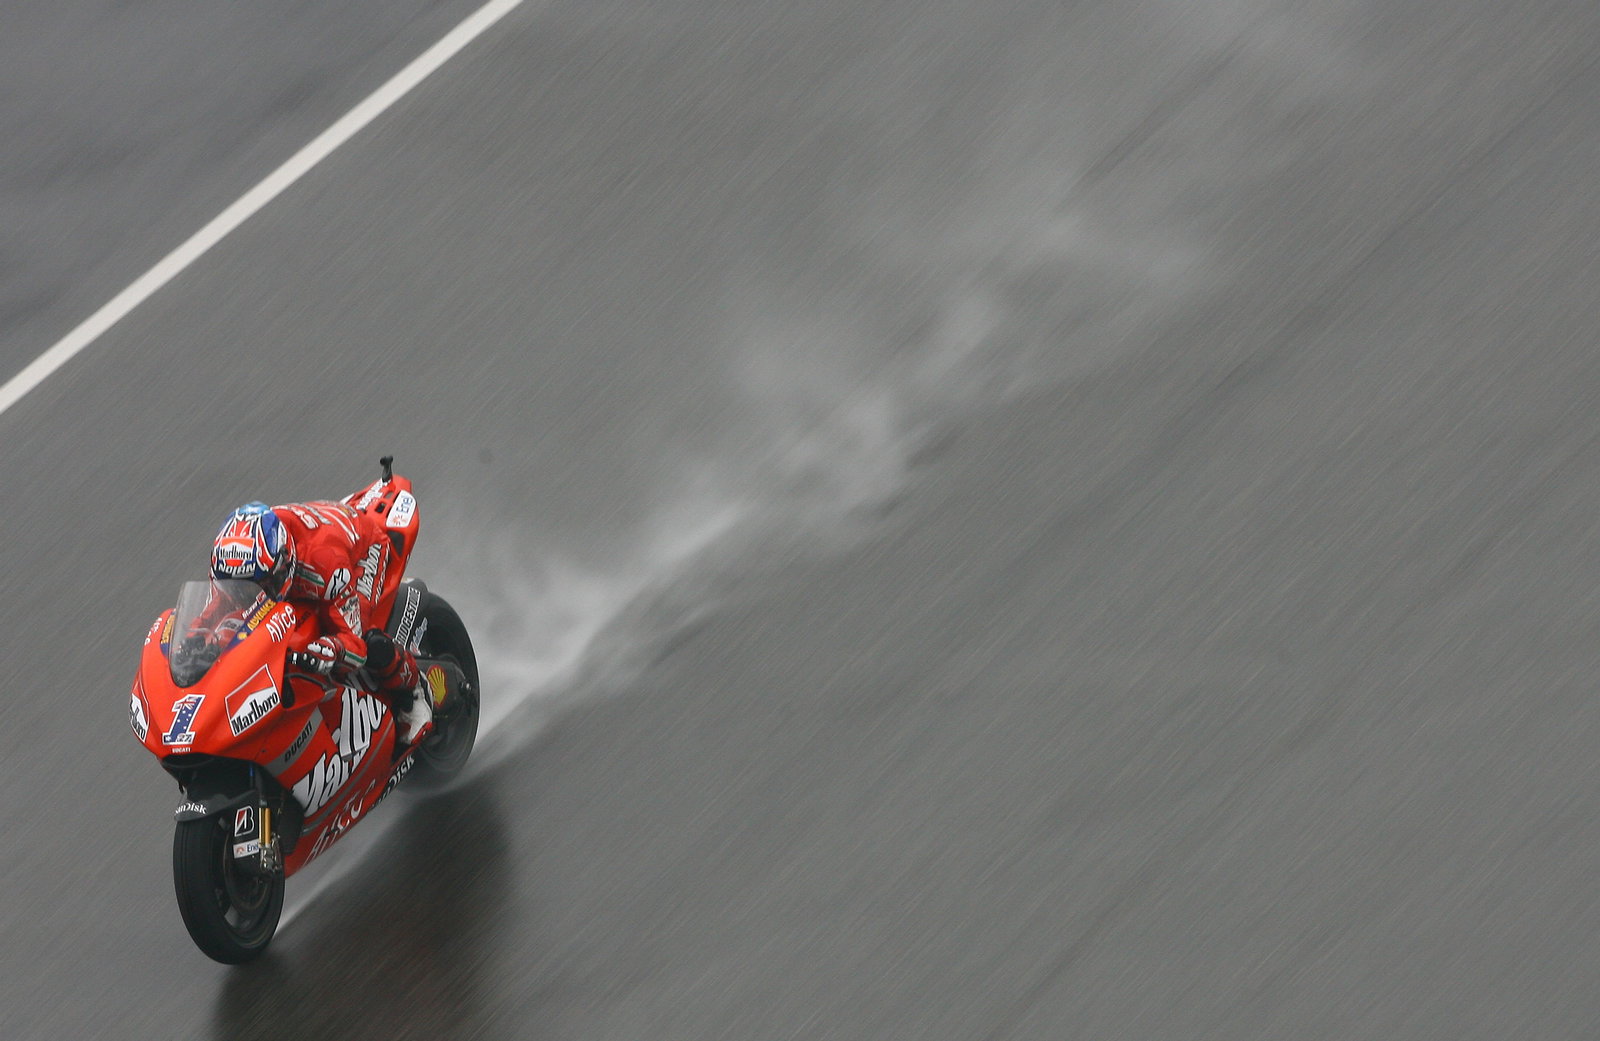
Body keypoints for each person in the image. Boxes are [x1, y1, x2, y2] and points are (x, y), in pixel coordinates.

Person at [210, 500, 432, 745]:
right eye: (237, 588)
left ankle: (414, 691)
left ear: (283, 564)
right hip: (319, 532)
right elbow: (210, 613)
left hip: (363, 548)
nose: (248, 597)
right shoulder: (237, 568)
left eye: (259, 587)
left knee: (368, 638)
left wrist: (332, 649)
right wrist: (192, 640)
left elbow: (355, 646)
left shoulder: (325, 566)